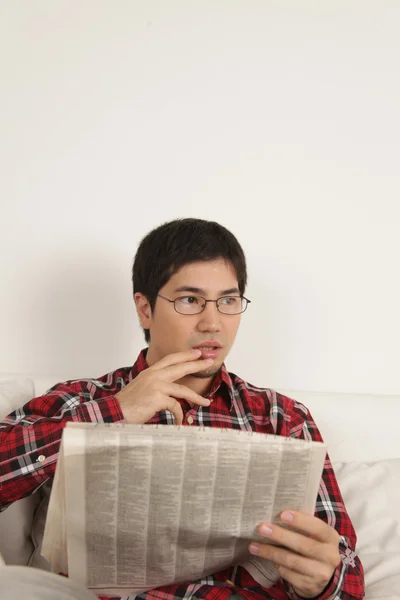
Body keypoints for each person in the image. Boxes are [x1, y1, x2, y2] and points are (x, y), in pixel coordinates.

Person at [0, 218, 364, 600]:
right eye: (190, 300)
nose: (213, 323)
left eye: (228, 300)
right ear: (145, 309)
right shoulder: (81, 401)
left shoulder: (282, 418)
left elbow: (347, 577)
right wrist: (116, 412)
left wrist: (323, 581)